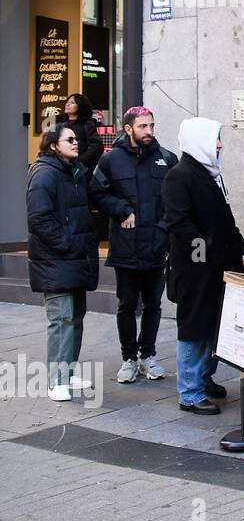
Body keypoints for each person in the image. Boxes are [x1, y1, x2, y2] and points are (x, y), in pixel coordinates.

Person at [161, 117, 244, 415]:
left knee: (214, 326)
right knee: (195, 329)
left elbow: (224, 217)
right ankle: (190, 392)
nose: (220, 145)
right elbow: (179, 223)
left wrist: (238, 247)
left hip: (218, 267)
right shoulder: (179, 176)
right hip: (196, 270)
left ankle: (203, 378)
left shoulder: (210, 173)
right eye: (215, 140)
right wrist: (206, 248)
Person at [90, 106, 177, 384]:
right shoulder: (111, 160)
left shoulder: (167, 159)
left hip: (156, 246)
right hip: (126, 247)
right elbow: (97, 193)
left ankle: (148, 355)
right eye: (142, 127)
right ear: (128, 129)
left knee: (153, 304)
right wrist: (121, 209)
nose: (149, 131)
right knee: (127, 305)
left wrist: (163, 230)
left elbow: (175, 200)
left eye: (151, 125)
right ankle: (129, 358)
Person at [27, 124, 99, 401]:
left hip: (74, 257)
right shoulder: (45, 173)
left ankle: (67, 373)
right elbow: (39, 218)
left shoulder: (74, 171)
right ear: (54, 145)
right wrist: (67, 244)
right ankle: (57, 380)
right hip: (56, 259)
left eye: (76, 138)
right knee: (61, 319)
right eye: (69, 139)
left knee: (75, 318)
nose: (76, 142)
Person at [57, 93, 104, 175]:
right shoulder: (59, 124)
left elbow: (96, 147)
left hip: (81, 170)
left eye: (72, 103)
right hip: (61, 166)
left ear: (80, 106)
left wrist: (80, 162)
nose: (67, 104)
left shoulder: (87, 124)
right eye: (67, 102)